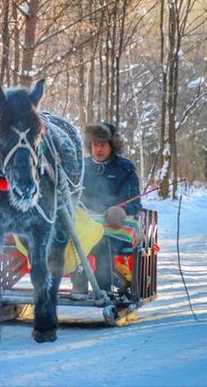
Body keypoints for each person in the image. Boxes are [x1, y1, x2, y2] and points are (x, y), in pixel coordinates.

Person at [72, 122, 142, 295]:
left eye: (103, 145)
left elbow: (134, 201)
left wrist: (122, 210)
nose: (98, 149)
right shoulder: (80, 167)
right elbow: (71, 194)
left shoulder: (125, 169)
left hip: (114, 226)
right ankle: (79, 285)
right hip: (84, 222)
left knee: (102, 242)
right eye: (95, 144)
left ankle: (103, 290)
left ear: (112, 145)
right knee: (75, 240)